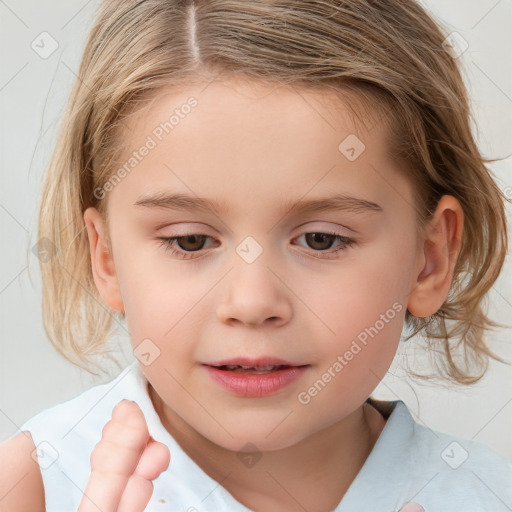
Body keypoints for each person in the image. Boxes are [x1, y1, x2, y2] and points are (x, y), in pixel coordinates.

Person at [1, 0, 511, 511]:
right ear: (107, 258)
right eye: (190, 241)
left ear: (429, 259)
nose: (251, 302)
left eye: (321, 239)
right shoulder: (34, 486)